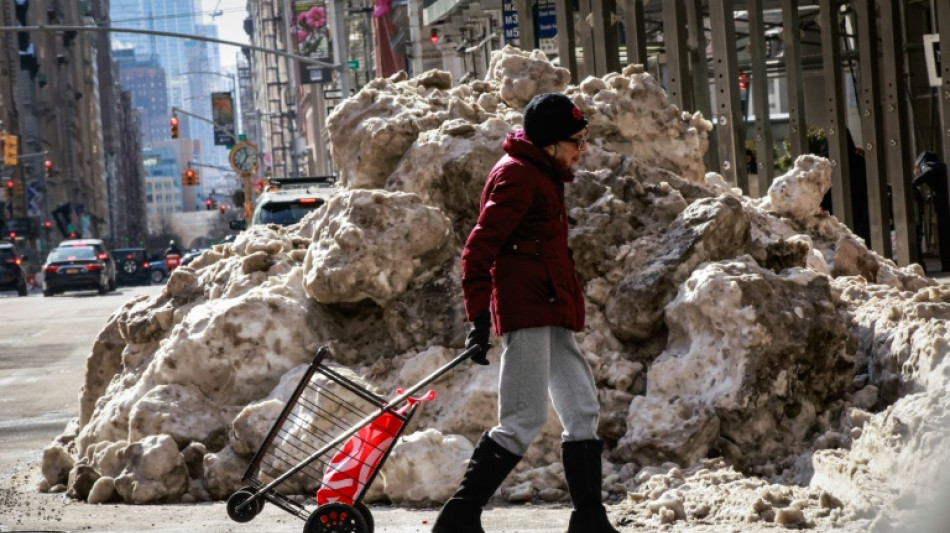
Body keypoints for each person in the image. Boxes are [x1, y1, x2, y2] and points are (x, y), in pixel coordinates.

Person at [433, 93, 618, 533]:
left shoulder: (543, 173)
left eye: (585, 139)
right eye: (576, 141)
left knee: (582, 410)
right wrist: (479, 317)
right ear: (550, 143)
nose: (582, 150)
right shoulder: (517, 176)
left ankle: (589, 519)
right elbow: (478, 249)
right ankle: (459, 517)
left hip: (549, 307)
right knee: (522, 419)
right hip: (528, 310)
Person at [914, 151, 950, 272]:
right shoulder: (942, 166)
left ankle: (947, 264)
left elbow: (929, 172)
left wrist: (914, 183)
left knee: (944, 236)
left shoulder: (926, 165)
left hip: (944, 207)